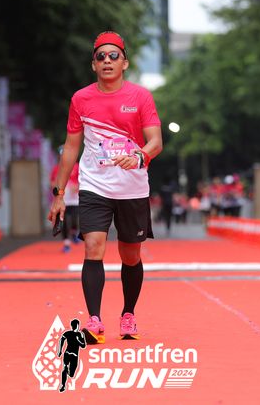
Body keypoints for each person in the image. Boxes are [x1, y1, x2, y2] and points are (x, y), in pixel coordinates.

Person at [47, 31, 162, 344]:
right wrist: (59, 194)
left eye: (114, 56)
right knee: (93, 246)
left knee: (130, 255)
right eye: (101, 57)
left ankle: (128, 314)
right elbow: (71, 148)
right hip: (94, 185)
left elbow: (155, 141)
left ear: (125, 63)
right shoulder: (81, 99)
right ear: (93, 65)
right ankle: (94, 320)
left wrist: (140, 155)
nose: (107, 61)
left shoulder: (140, 97)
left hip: (132, 187)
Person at [50, 147, 80, 252]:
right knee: (64, 221)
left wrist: (77, 186)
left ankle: (74, 232)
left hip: (74, 199)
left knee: (75, 219)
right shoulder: (56, 169)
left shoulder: (76, 166)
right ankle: (66, 243)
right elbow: (52, 183)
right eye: (62, 155)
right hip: (62, 199)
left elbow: (82, 180)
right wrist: (56, 187)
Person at [56, 318, 86, 393]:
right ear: (77, 325)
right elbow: (83, 345)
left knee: (69, 372)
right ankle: (63, 384)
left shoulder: (73, 333)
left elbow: (61, 340)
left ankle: (65, 378)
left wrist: (60, 351)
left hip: (70, 354)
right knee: (67, 370)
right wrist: (78, 340)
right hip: (72, 355)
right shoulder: (77, 334)